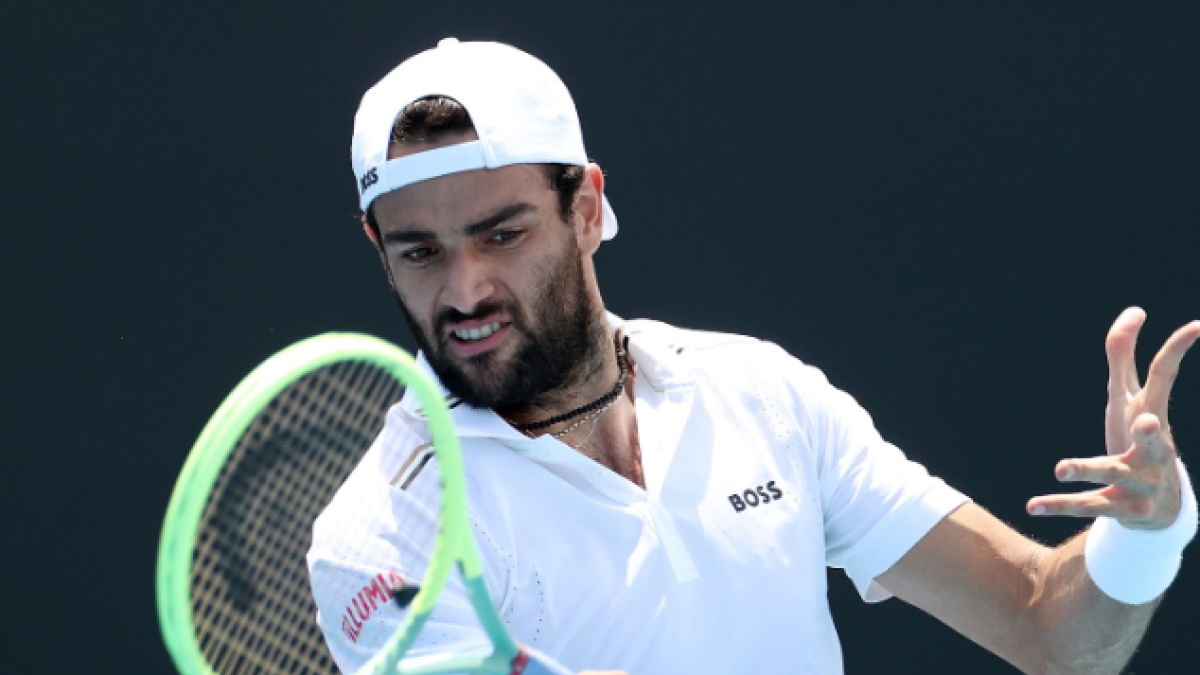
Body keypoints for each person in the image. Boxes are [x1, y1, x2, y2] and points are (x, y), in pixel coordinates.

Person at [307, 38, 1200, 675]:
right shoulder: (381, 534)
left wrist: (1145, 533)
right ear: (376, 246)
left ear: (585, 209)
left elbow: (1049, 631)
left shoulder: (760, 393)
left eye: (501, 234)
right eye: (419, 251)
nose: (463, 290)